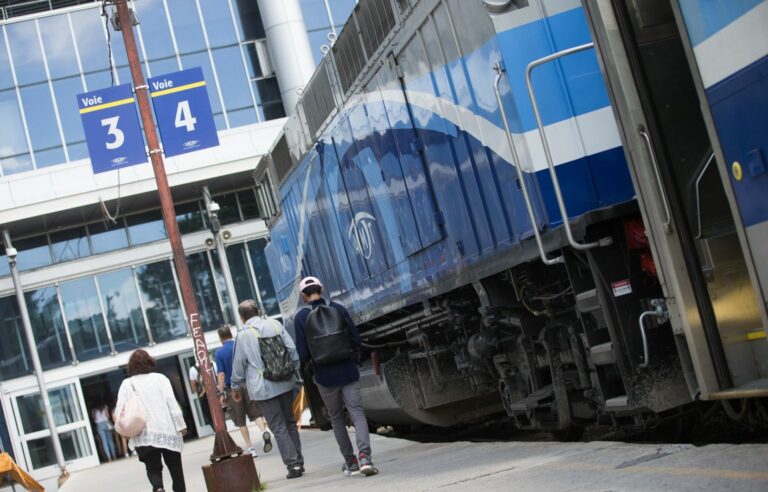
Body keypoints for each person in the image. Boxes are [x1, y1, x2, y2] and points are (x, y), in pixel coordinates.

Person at [293, 276, 377, 476]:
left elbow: (303, 355)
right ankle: (366, 457)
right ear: (321, 290)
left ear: (303, 296)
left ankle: (351, 462)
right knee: (357, 412)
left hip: (324, 376)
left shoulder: (301, 318)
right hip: (347, 370)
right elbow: (356, 339)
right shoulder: (338, 308)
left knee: (337, 418)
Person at [231, 300, 304, 480]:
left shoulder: (243, 335)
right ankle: (299, 461)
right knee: (290, 422)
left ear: (241, 317)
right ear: (259, 311)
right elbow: (292, 350)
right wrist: (292, 371)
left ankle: (293, 465)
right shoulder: (275, 324)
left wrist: (235, 385)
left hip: (262, 387)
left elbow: (239, 365)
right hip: (285, 382)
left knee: (278, 427)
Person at [116, 349, 187, 492]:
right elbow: (172, 404)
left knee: (152, 468)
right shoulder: (161, 379)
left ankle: (158, 487)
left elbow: (119, 411)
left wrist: (124, 429)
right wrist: (181, 425)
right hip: (167, 430)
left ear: (131, 366)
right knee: (176, 469)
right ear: (150, 361)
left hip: (143, 433)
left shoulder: (126, 384)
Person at [214, 325, 273, 456]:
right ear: (230, 333)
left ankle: (251, 448)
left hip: (232, 390)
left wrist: (221, 391)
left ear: (220, 338)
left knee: (240, 420)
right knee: (256, 413)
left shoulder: (219, 353)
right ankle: (263, 431)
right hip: (248, 384)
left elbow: (221, 374)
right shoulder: (240, 345)